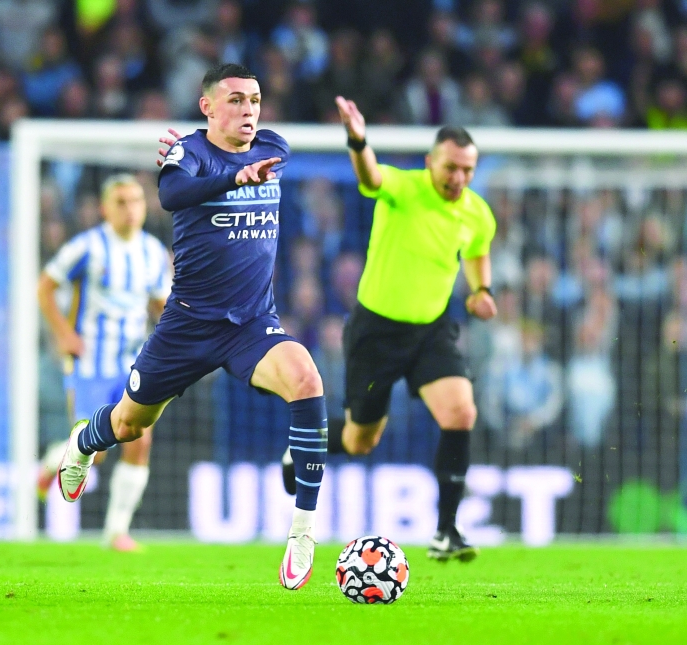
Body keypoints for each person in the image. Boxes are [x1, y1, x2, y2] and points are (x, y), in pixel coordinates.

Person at [55, 63, 329, 590]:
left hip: (252, 323)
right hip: (186, 325)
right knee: (129, 426)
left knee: (307, 380)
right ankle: (83, 443)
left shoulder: (274, 147)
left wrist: (246, 170)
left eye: (254, 100)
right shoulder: (189, 154)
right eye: (235, 100)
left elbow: (255, 156)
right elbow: (173, 195)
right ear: (208, 107)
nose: (248, 110)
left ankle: (302, 532)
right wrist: (233, 177)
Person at [282, 98, 497, 562]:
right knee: (360, 441)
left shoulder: (478, 213)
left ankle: (446, 531)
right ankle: (300, 449)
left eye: (468, 169)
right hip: (376, 332)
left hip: (432, 331)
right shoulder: (405, 187)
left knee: (461, 412)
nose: (459, 177)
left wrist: (481, 290)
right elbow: (371, 177)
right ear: (431, 162)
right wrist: (358, 140)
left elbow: (478, 253)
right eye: (451, 167)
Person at [36, 174, 171, 551]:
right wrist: (63, 334)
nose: (130, 210)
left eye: (136, 201)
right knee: (93, 453)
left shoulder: (154, 253)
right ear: (104, 209)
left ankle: (116, 531)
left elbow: (159, 305)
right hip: (90, 364)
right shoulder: (87, 247)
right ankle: (51, 464)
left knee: (139, 439)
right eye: (121, 202)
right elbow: (45, 287)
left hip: (134, 364)